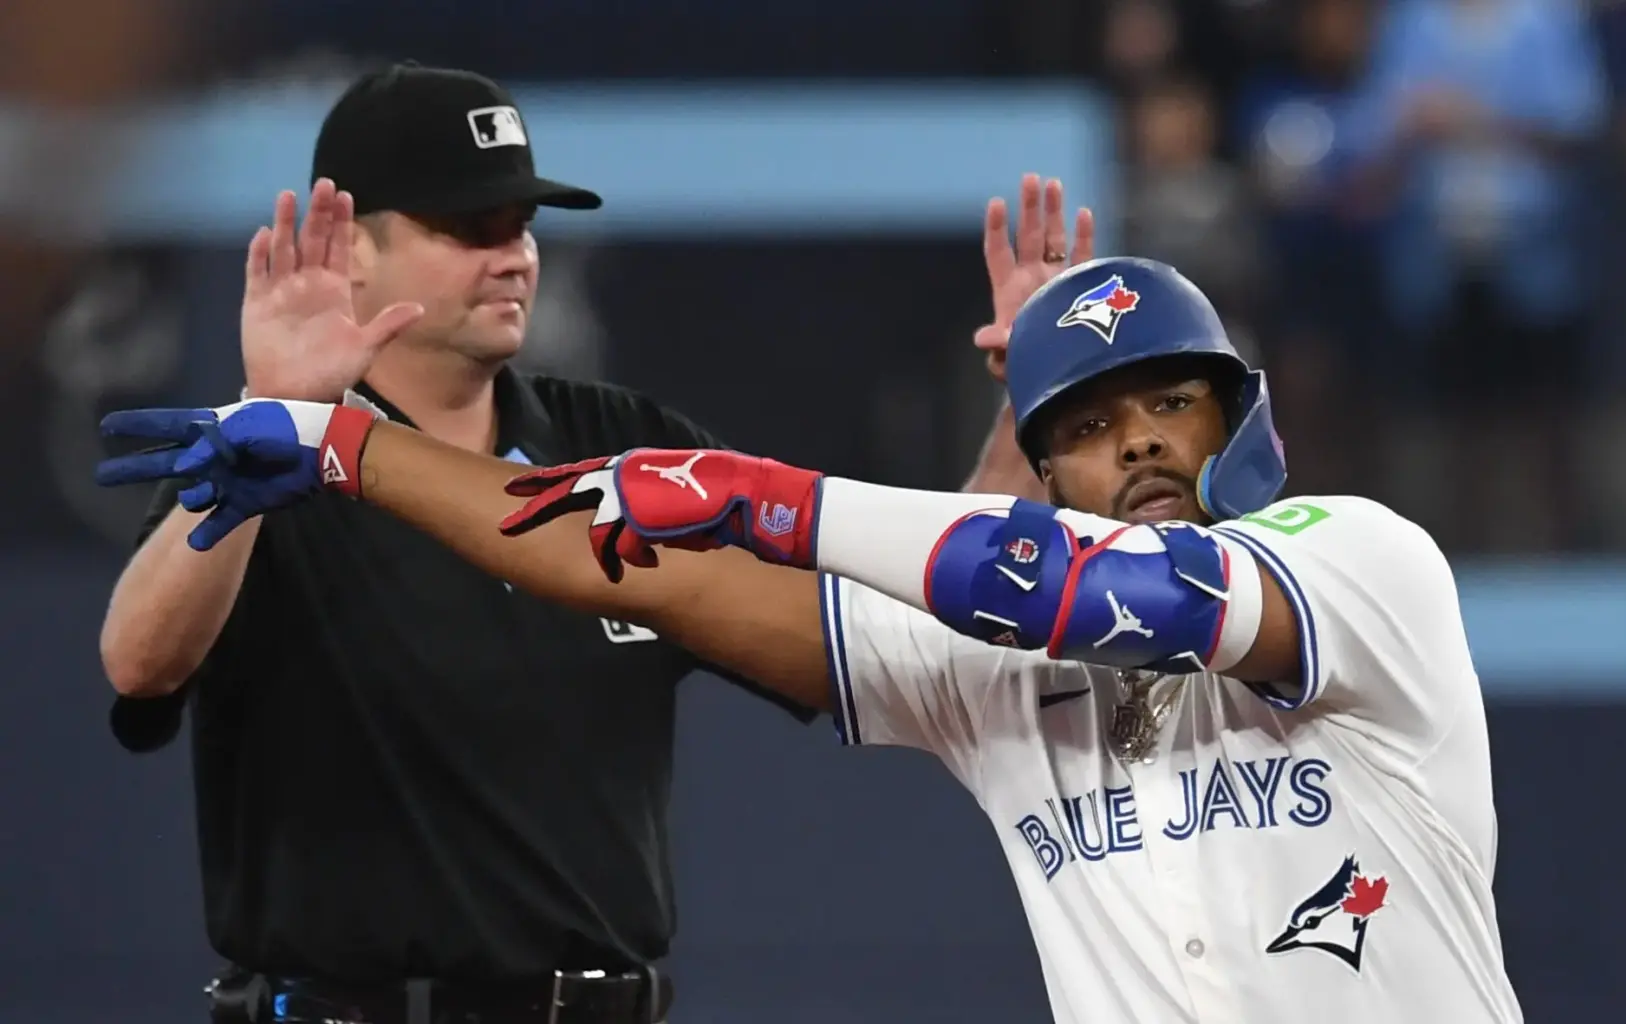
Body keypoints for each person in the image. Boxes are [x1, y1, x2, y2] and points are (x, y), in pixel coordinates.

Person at [98, 257, 1520, 1022]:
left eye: (1171, 402)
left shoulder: (1361, 564)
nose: (1135, 437)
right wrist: (345, 445)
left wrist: (765, 496)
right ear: (1042, 468)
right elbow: (637, 574)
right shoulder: (989, 677)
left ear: (1241, 418)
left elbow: (1110, 595)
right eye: (1083, 427)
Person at [95, 59, 1094, 1023]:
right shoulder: (274, 459)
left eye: (522, 225)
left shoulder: (627, 453)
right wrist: (271, 422)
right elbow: (139, 663)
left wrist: (1026, 411)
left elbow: (887, 620)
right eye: (470, 225)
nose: (514, 255)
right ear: (352, 244)